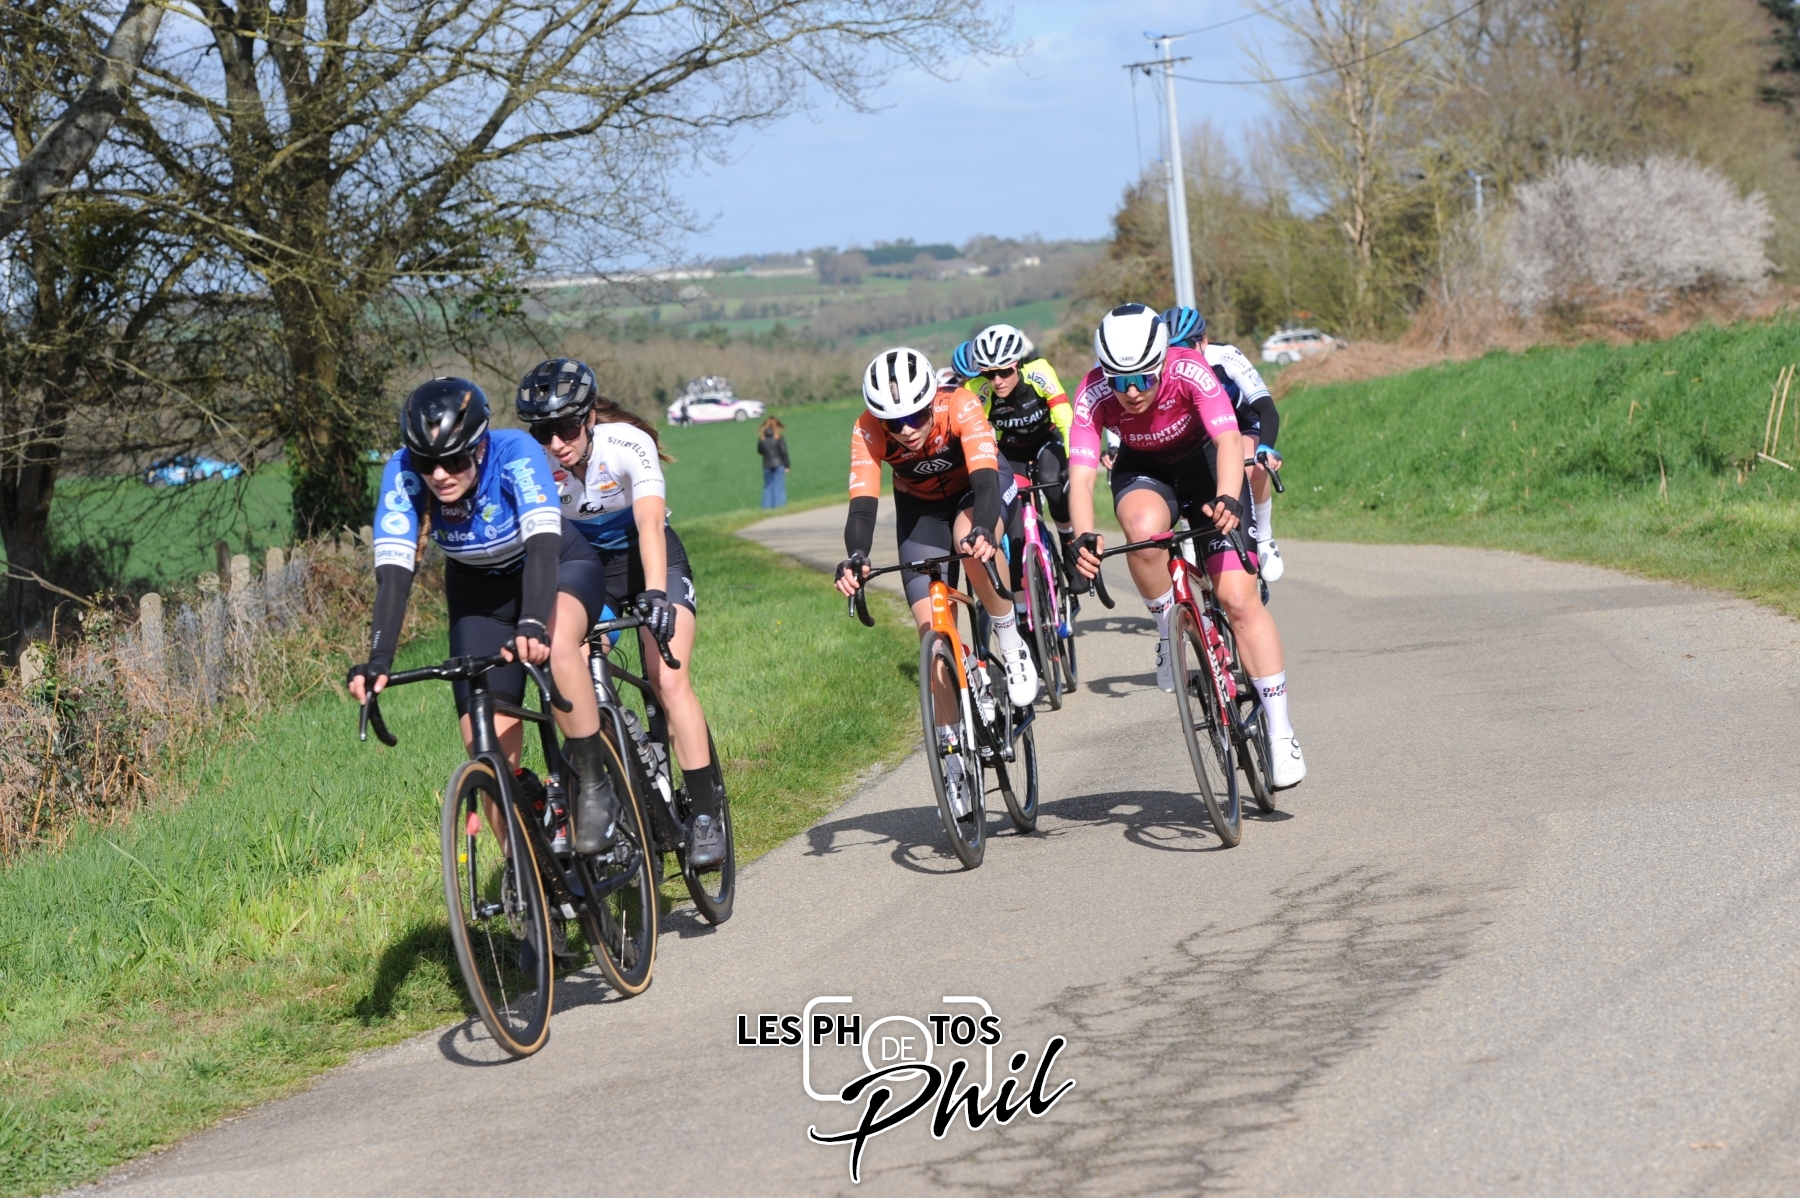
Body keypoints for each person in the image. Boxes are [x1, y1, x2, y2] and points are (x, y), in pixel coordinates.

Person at [348, 377, 623, 854]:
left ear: (479, 447)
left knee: (560, 647)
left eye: (454, 460)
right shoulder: (403, 471)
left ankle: (596, 786)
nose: (439, 475)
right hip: (479, 597)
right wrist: (378, 661)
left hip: (556, 569)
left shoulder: (514, 452)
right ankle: (529, 873)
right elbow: (394, 574)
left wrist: (533, 622)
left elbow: (542, 546)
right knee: (487, 749)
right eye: (427, 462)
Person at [1066, 305, 1306, 788]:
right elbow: (1082, 474)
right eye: (1119, 381)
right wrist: (1082, 535)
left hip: (1207, 466)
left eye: (1142, 378)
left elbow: (1228, 439)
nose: (1131, 391)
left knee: (1238, 599)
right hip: (1144, 472)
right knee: (1141, 529)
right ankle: (1166, 629)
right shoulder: (1092, 393)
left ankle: (1281, 733)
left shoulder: (1189, 369)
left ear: (1161, 362)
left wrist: (1228, 497)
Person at [516, 358, 726, 868]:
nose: (556, 444)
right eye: (543, 433)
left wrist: (655, 595)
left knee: (668, 678)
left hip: (654, 562)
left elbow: (650, 524)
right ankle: (615, 778)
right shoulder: (537, 468)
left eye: (567, 428)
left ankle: (705, 815)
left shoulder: (627, 444)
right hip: (594, 574)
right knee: (577, 668)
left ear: (590, 418)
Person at [833, 348, 1039, 815]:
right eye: (894, 422)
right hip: (920, 510)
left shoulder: (959, 404)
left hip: (980, 488)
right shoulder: (867, 429)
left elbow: (985, 482)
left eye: (915, 416)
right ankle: (952, 760)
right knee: (932, 636)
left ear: (931, 402)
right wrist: (856, 557)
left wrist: (984, 527)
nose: (906, 429)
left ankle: (1011, 642)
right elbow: (862, 507)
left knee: (970, 544)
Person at [1164, 306, 1285, 581]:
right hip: (1197, 435)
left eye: (1185, 346)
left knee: (1252, 463)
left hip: (1239, 424)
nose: (1178, 356)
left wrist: (1266, 447)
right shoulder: (1160, 371)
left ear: (1203, 341)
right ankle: (1188, 536)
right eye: (1170, 350)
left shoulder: (1225, 356)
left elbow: (1266, 408)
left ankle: (1264, 537)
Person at [962, 323, 1076, 603]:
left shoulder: (1040, 372)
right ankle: (1024, 605)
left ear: (1019, 364)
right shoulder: (977, 390)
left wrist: (1073, 461)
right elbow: (975, 438)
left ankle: (1068, 541)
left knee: (1053, 484)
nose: (997, 380)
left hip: (1045, 441)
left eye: (1004, 371)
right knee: (1014, 522)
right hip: (1010, 452)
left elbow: (1065, 420)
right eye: (989, 373)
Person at [757, 415, 791, 508]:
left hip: (766, 465)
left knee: (768, 487)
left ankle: (766, 508)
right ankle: (779, 507)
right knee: (778, 486)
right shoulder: (778, 437)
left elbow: (759, 451)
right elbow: (783, 452)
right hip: (778, 464)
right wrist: (787, 465)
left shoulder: (762, 437)